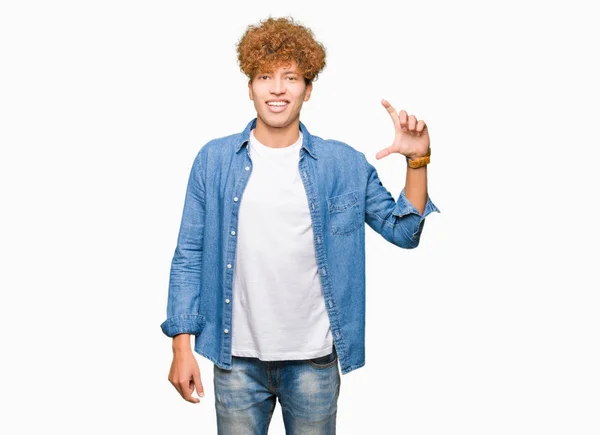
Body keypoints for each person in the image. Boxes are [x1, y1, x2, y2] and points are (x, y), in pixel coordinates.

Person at [160, 15, 440, 434]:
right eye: (264, 76)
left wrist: (417, 161)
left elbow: (404, 232)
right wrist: (181, 344)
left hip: (314, 362)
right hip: (235, 359)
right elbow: (189, 255)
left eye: (290, 77)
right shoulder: (213, 161)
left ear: (308, 89)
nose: (277, 88)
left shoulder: (343, 164)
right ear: (250, 87)